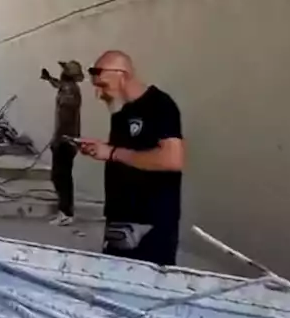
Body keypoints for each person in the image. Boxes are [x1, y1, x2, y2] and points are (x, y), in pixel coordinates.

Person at [77, 51, 185, 266]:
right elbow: (125, 155)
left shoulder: (160, 105)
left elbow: (173, 159)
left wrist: (112, 153)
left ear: (122, 75)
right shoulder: (122, 114)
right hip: (119, 220)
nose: (99, 95)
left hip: (150, 223)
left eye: (103, 86)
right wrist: (102, 150)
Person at [40, 60, 84, 226]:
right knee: (61, 176)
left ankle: (66, 213)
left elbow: (65, 120)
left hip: (65, 140)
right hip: (67, 140)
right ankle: (65, 211)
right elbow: (57, 84)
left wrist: (56, 139)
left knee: (61, 177)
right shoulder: (68, 87)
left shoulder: (69, 91)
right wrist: (48, 78)